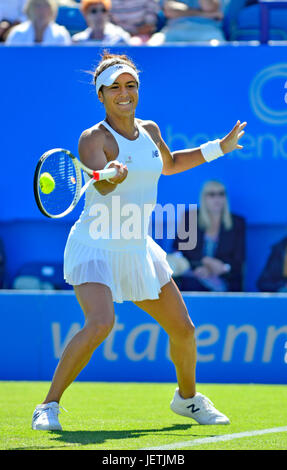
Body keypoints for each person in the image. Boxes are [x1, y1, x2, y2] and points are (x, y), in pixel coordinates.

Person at [31, 52, 247, 431]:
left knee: (184, 329)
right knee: (100, 322)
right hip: (95, 245)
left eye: (130, 85)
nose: (124, 93)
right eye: (114, 87)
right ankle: (47, 406)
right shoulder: (93, 138)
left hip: (137, 247)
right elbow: (103, 179)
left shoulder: (149, 129)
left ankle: (188, 399)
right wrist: (110, 174)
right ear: (101, 94)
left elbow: (171, 164)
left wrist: (219, 147)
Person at [172, 180, 246, 292]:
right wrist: (202, 264)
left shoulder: (237, 223)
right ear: (204, 197)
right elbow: (179, 252)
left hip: (224, 277)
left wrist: (223, 268)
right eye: (212, 194)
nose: (217, 199)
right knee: (191, 284)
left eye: (221, 194)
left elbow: (239, 259)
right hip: (193, 275)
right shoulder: (190, 218)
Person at [148, 0, 226, 45]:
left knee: (218, 48)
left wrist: (185, 11)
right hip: (174, 30)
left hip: (208, 31)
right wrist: (205, 14)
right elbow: (170, 10)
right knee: (152, 45)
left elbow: (210, 7)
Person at [5, 0, 71, 45]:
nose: (42, 10)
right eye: (38, 5)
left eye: (46, 5)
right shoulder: (17, 32)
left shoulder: (61, 34)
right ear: (30, 9)